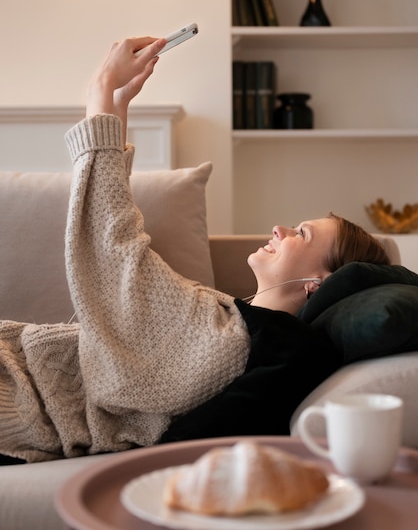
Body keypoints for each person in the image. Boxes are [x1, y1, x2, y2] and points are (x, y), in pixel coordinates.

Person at [0, 36, 390, 463]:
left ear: (319, 284)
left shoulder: (234, 339)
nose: (279, 229)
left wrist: (100, 94)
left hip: (18, 393)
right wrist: (117, 105)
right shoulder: (227, 316)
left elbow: (117, 254)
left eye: (302, 233)